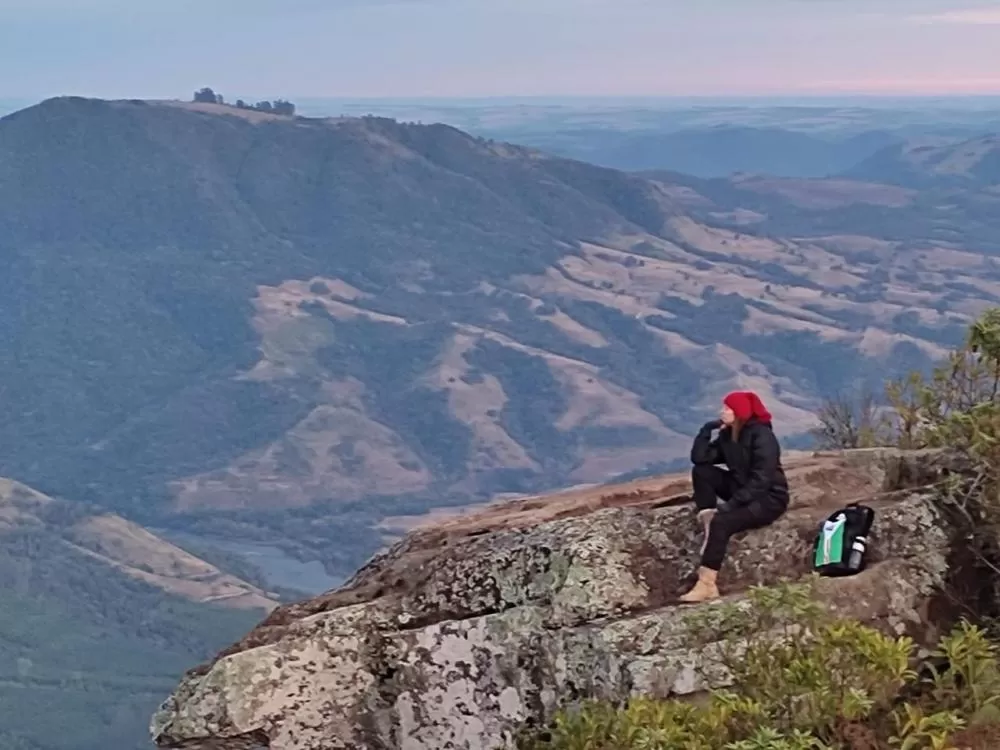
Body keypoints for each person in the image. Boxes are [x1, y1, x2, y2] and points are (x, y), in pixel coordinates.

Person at [678, 390, 790, 604]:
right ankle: (708, 521)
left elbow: (762, 480)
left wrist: (731, 505)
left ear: (740, 412)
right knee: (702, 472)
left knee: (724, 521)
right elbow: (701, 459)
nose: (723, 411)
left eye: (728, 408)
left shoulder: (763, 437)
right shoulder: (729, 435)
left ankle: (707, 584)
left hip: (768, 499)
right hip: (743, 488)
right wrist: (706, 431)